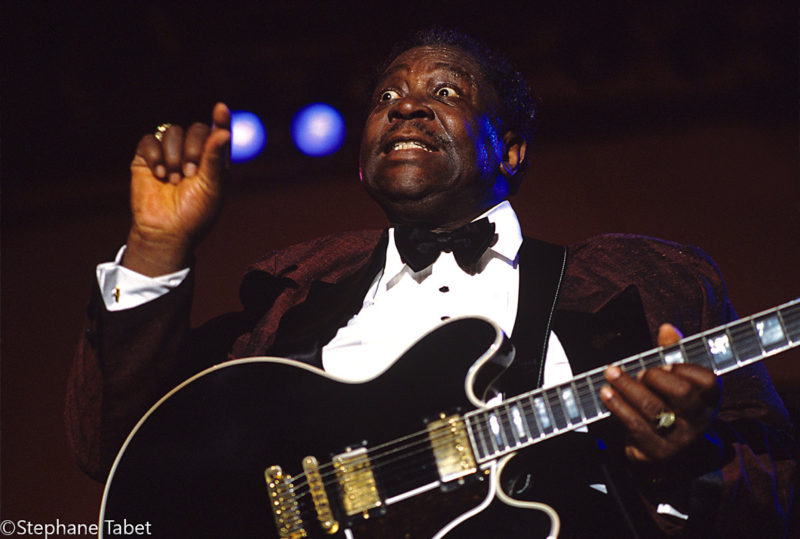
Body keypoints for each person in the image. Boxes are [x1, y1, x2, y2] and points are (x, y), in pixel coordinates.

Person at [66, 29, 794, 536]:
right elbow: (126, 453)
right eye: (386, 98)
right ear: (362, 156)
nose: (406, 105)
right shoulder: (292, 304)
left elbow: (781, 496)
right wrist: (156, 247)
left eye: (446, 91)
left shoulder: (646, 285)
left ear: (508, 147)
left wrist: (687, 462)